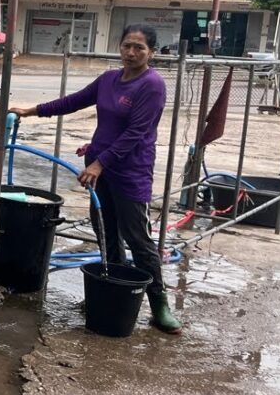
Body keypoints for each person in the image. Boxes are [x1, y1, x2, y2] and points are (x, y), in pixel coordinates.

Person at [9, 24, 181, 334]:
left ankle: (159, 305)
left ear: (151, 53)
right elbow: (73, 102)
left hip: (130, 171)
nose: (131, 52)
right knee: (105, 231)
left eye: (139, 48)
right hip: (99, 166)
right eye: (127, 45)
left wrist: (100, 163)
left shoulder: (152, 85)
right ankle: (113, 289)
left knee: (138, 240)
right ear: (119, 46)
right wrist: (30, 111)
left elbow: (135, 133)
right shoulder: (109, 80)